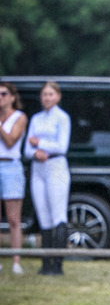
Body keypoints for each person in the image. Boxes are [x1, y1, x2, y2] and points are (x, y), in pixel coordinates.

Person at [24, 82, 71, 275]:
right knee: (43, 215)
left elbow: (61, 146)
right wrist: (35, 152)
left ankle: (58, 263)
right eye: (44, 94)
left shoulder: (62, 118)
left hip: (55, 166)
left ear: (57, 96)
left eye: (50, 94)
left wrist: (40, 143)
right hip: (39, 168)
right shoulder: (36, 119)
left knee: (57, 214)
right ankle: (46, 262)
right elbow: (27, 148)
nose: (47, 98)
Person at [0, 81, 28, 275]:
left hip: (11, 166)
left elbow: (10, 140)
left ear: (12, 97)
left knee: (13, 219)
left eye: (3, 94)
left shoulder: (19, 117)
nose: (0, 98)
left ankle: (16, 260)